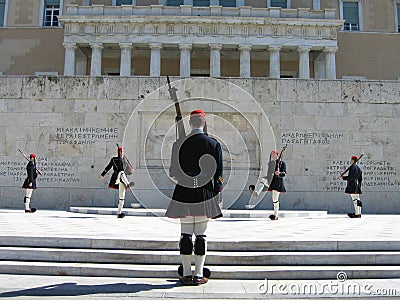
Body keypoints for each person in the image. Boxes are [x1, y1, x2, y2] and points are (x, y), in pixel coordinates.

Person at [166, 109, 223, 286]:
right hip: (205, 192)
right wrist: (217, 191)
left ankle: (185, 272)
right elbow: (219, 174)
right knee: (201, 235)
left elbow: (173, 172)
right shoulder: (213, 144)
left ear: (190, 123)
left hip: (184, 191)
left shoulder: (178, 144)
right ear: (203, 123)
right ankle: (198, 274)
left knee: (185, 235)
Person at [99, 146, 134, 218]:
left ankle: (119, 213)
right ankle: (128, 184)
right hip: (116, 178)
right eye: (121, 152)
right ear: (118, 152)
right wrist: (102, 175)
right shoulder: (114, 159)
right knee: (121, 172)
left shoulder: (125, 161)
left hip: (123, 180)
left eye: (123, 152)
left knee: (122, 198)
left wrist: (131, 171)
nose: (122, 153)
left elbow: (127, 172)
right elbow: (108, 167)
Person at [267, 150, 286, 221]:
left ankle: (276, 215)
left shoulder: (282, 163)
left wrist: (279, 173)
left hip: (278, 183)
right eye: (272, 154)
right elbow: (269, 173)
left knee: (275, 199)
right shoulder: (271, 163)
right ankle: (275, 215)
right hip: (273, 183)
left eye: (274, 154)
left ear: (277, 155)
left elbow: (284, 173)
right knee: (274, 199)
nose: (273, 156)